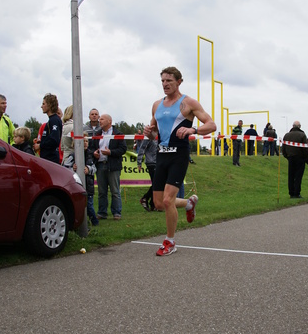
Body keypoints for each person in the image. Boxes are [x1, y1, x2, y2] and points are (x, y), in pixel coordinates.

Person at [143, 66, 216, 256]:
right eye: (163, 81)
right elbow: (154, 134)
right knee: (159, 203)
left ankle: (170, 241)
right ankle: (189, 203)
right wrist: (149, 133)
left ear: (179, 82)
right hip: (162, 155)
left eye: (169, 81)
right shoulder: (156, 105)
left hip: (179, 156)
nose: (165, 84)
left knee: (168, 200)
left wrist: (193, 130)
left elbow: (211, 125)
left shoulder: (188, 103)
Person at [92, 114, 126, 220]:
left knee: (115, 191)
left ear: (109, 121)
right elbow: (91, 148)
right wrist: (95, 154)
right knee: (102, 191)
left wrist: (110, 152)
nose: (99, 120)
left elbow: (123, 149)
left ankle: (117, 212)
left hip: (113, 166)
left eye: (102, 119)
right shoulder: (97, 134)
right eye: (99, 119)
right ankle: (102, 212)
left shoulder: (118, 134)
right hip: (101, 165)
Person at [72, 134, 99, 226]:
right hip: (77, 185)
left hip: (89, 185)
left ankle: (95, 222)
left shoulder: (91, 155)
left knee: (89, 206)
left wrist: (88, 169)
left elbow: (94, 168)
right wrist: (73, 168)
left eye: (87, 141)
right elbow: (65, 167)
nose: (85, 143)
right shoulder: (73, 155)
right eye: (83, 141)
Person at [282, 120, 308, 198]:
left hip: (290, 158)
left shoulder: (287, 135)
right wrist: (307, 159)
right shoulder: (302, 135)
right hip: (300, 158)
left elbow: (284, 148)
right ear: (299, 127)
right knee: (298, 176)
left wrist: (287, 156)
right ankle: (297, 193)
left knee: (291, 176)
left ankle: (291, 193)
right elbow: (305, 148)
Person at [33, 94, 63, 164]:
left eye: (43, 104)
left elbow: (54, 140)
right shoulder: (52, 120)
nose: (41, 106)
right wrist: (41, 141)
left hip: (50, 160)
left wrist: (40, 146)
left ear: (49, 105)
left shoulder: (54, 120)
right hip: (48, 159)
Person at [137, 137, 158, 211]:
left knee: (157, 184)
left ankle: (153, 204)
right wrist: (139, 162)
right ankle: (145, 198)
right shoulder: (149, 136)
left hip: (159, 162)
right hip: (151, 163)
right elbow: (142, 148)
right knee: (156, 183)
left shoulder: (161, 134)